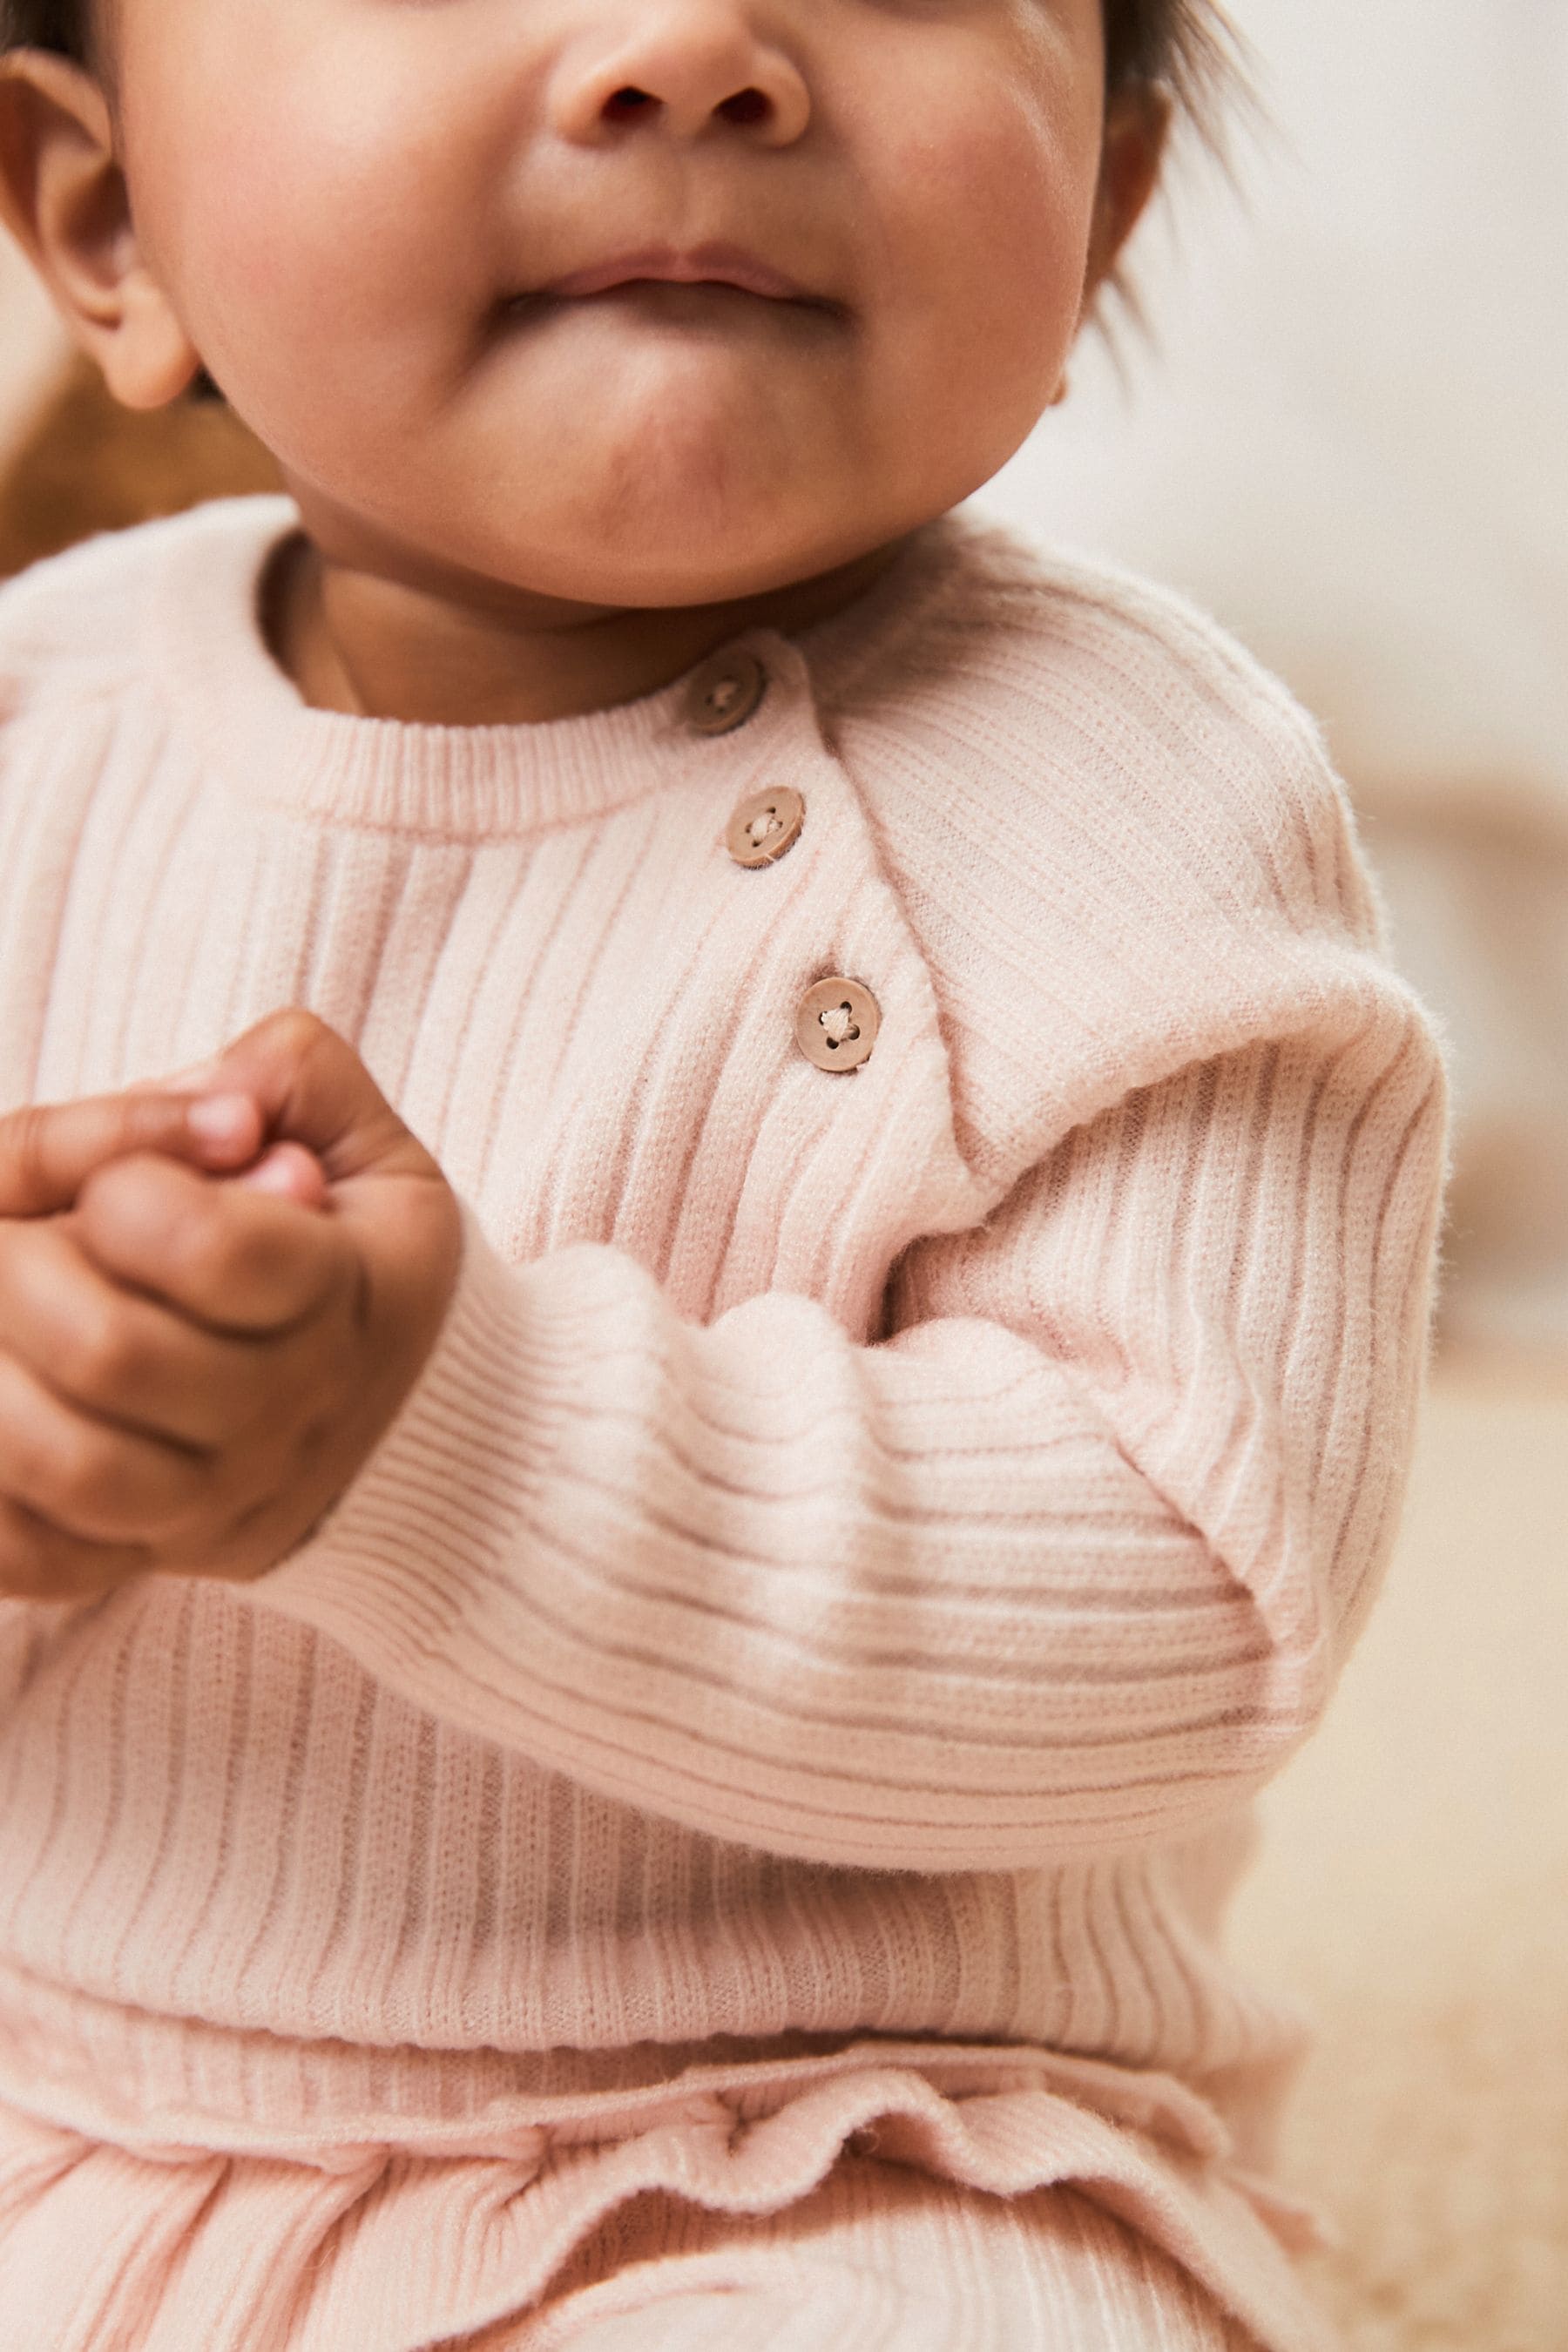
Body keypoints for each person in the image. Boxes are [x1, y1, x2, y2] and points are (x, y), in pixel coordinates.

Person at [0, 1, 1447, 2345]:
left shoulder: (1132, 812)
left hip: (803, 2149)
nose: (688, 52)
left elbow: (1191, 1602)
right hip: (46, 2097)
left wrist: (437, 1443)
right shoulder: (29, 734)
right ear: (102, 214)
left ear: (1098, 217)